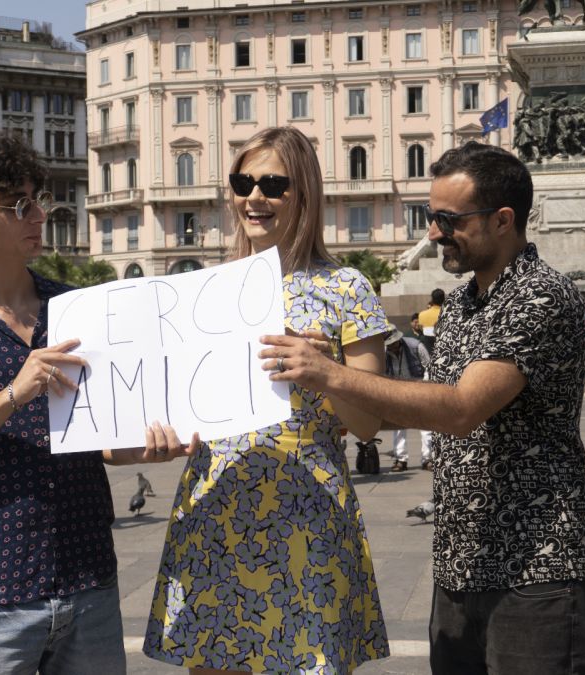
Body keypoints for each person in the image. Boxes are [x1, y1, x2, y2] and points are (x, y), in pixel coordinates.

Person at [262, 141, 585, 674]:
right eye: (430, 216)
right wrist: (324, 396)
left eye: (448, 219)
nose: (434, 233)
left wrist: (332, 374)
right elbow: (416, 404)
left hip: (538, 565)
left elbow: (460, 409)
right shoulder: (462, 302)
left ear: (503, 220)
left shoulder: (542, 296)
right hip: (461, 561)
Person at [0, 131, 198, 674]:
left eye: (37, 200)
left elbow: (97, 439)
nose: (40, 214)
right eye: (17, 205)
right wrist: (13, 394)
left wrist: (144, 450)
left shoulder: (76, 308)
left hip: (88, 579)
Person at [144, 126, 391, 673]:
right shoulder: (203, 289)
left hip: (307, 514)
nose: (254, 197)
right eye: (243, 183)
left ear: (305, 193)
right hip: (216, 508)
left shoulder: (347, 287)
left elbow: (369, 425)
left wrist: (326, 374)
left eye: (274, 185)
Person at [385, 328, 430, 472]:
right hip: (397, 392)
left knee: (426, 427)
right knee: (398, 428)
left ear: (398, 339)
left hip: (419, 390)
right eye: (389, 344)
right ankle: (401, 460)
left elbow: (429, 366)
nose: (391, 346)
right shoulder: (384, 352)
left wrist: (424, 385)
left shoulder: (416, 346)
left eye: (393, 343)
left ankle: (428, 459)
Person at [417, 288, 444, 353]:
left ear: (432, 300)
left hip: (427, 348)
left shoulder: (422, 314)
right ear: (444, 299)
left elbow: (421, 329)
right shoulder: (448, 314)